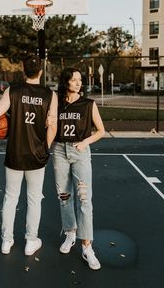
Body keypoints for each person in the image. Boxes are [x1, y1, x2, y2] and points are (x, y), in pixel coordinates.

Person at [0, 55, 58, 256]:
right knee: (34, 200)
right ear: (40, 71)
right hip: (36, 155)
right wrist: (45, 147)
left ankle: (6, 241)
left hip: (15, 153)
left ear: (24, 70)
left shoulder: (12, 91)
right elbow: (53, 126)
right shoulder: (50, 95)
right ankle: (31, 241)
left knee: (10, 198)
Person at [52, 67, 105, 270]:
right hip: (59, 151)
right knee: (64, 196)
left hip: (80, 151)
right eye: (74, 80)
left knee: (84, 198)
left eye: (80, 80)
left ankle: (87, 245)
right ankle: (70, 232)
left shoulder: (88, 104)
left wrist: (85, 143)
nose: (78, 83)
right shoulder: (56, 103)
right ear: (66, 82)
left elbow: (101, 130)